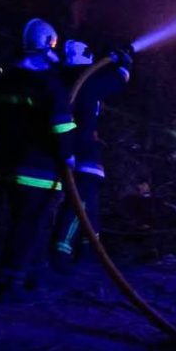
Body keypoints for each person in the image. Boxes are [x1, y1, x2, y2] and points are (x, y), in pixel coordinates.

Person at [0, 18, 76, 297]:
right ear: (48, 43)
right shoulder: (49, 84)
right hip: (40, 167)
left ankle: (22, 276)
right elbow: (62, 125)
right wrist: (69, 156)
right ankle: (12, 282)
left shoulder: (8, 80)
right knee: (32, 225)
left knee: (20, 223)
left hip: (9, 164)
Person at [51, 39, 132, 269]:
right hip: (82, 152)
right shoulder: (86, 82)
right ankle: (62, 253)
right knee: (81, 206)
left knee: (90, 205)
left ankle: (88, 254)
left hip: (72, 151)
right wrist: (125, 60)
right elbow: (120, 79)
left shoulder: (61, 81)